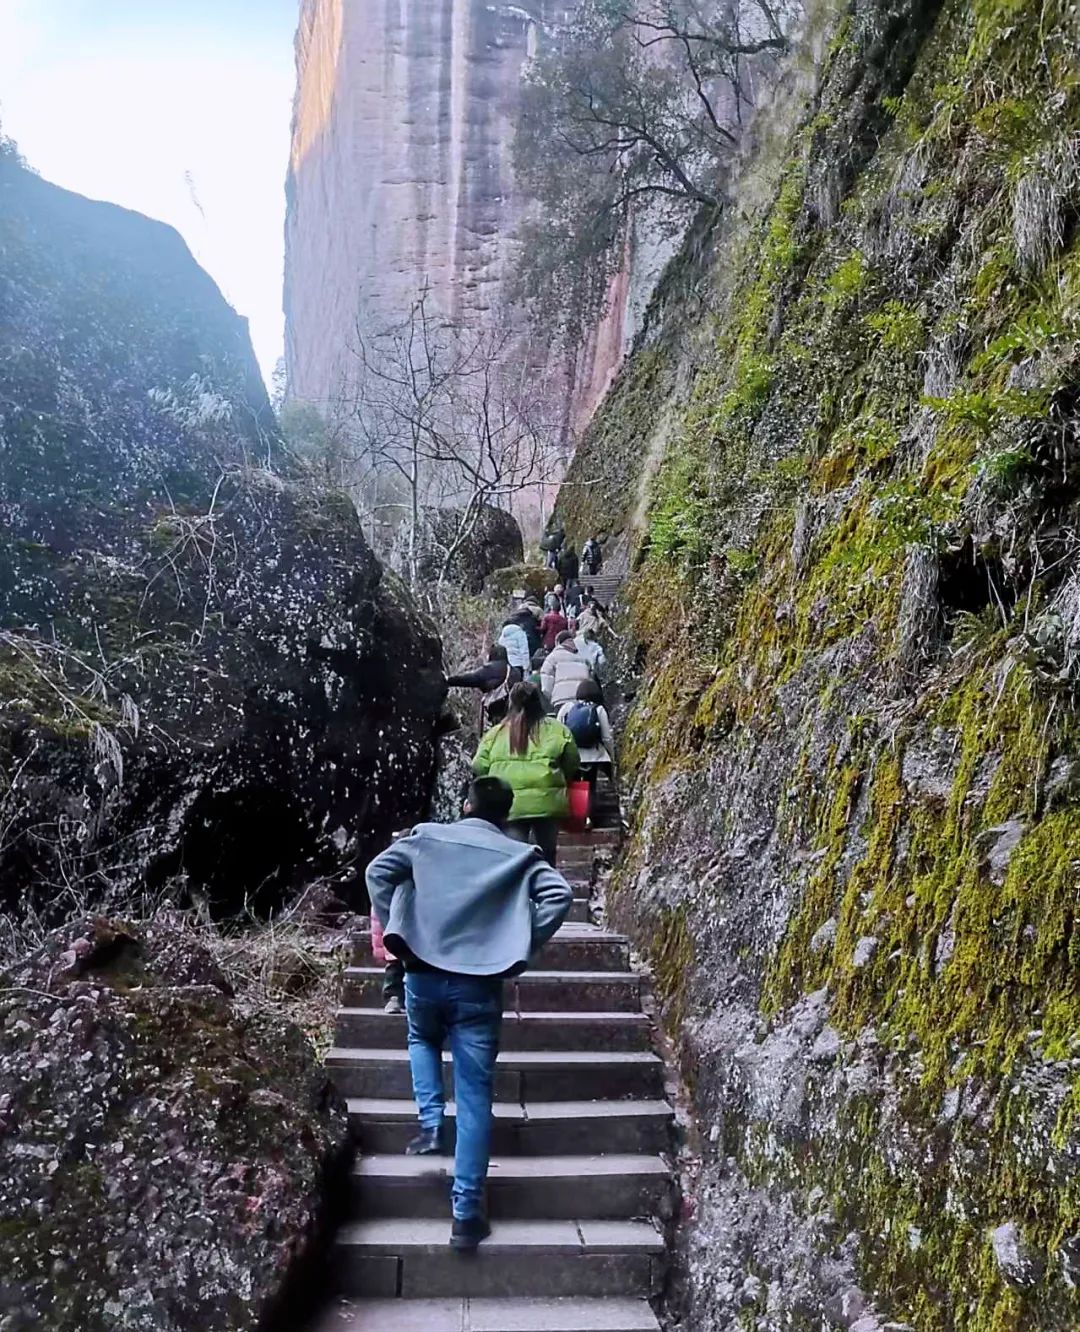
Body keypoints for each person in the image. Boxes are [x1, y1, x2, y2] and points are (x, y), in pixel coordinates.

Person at [367, 776, 573, 1250]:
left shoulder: (426, 837)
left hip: (421, 972)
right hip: (480, 982)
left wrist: (403, 927)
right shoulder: (519, 854)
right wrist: (518, 940)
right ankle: (465, 1216)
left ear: (465, 805)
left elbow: (377, 873)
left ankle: (430, 1121)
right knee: (476, 1096)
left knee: (420, 1038)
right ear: (507, 814)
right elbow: (559, 896)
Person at [473, 682, 579, 866]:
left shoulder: (495, 734)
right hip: (548, 799)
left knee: (514, 857)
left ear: (511, 704)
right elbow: (572, 761)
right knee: (547, 855)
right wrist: (560, 778)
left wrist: (496, 782)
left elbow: (478, 765)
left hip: (510, 804)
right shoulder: (557, 729)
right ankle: (545, 882)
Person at [557, 679, 615, 802]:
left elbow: (558, 732)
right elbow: (606, 737)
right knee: (591, 786)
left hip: (572, 755)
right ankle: (590, 809)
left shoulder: (567, 708)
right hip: (593, 756)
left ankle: (577, 810)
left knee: (574, 786)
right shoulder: (599, 709)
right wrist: (611, 756)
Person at [447, 644, 513, 725]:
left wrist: (450, 680)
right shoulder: (512, 670)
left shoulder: (490, 669)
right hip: (511, 713)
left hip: (496, 712)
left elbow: (471, 678)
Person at [540, 630, 593, 711]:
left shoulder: (552, 657)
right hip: (583, 701)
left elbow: (546, 685)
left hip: (561, 701)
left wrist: (553, 697)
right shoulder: (583, 658)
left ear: (558, 642)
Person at [498, 616, 531, 682]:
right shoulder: (520, 633)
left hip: (506, 665)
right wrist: (526, 666)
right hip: (518, 664)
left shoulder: (502, 637)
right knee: (519, 685)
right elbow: (524, 650)